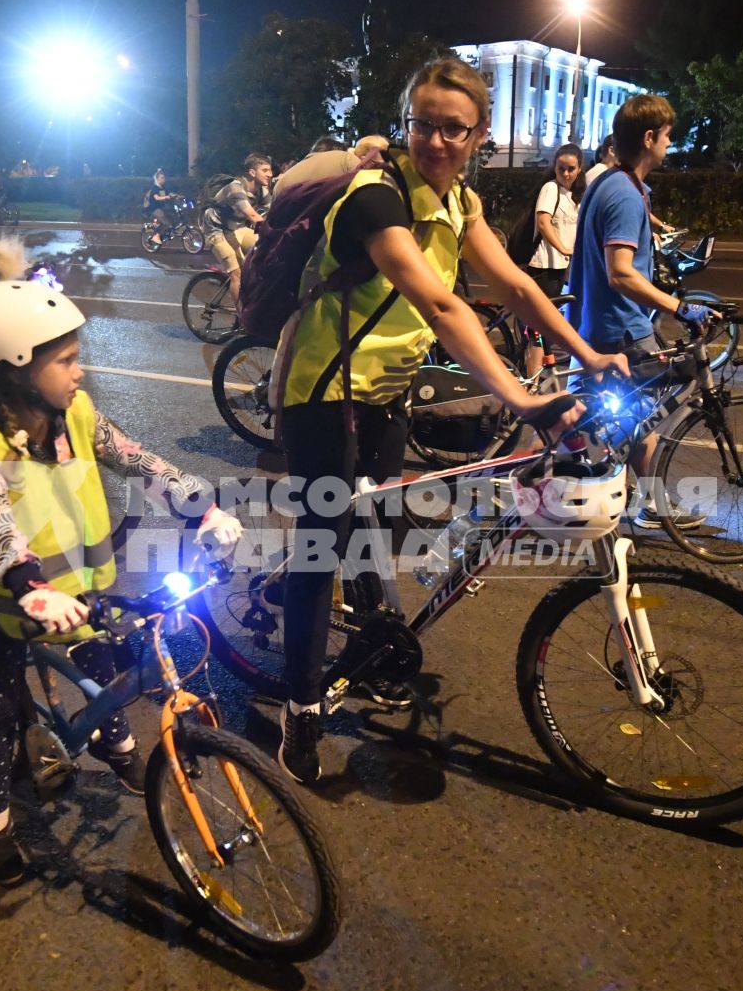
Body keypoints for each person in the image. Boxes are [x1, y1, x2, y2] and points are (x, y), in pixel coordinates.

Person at [273, 57, 626, 784]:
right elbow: (441, 305)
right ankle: (299, 711)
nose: (435, 141)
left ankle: (368, 643)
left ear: (479, 134)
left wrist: (591, 353)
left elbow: (519, 285)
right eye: (422, 125)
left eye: (452, 129)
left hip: (386, 391)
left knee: (383, 521)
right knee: (323, 546)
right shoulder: (377, 196)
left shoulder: (458, 200)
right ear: (407, 125)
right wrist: (526, 400)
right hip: (324, 391)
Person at [0, 255, 245, 883]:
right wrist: (29, 588)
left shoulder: (76, 416)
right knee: (0, 710)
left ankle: (120, 745)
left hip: (84, 587)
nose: (81, 372)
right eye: (67, 361)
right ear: (12, 373)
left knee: (106, 659)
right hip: (12, 602)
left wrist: (202, 505)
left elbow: (137, 460)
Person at [566, 94, 716, 533]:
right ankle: (646, 505)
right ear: (649, 138)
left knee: (630, 420)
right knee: (643, 420)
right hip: (622, 328)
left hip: (601, 321)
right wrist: (679, 307)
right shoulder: (625, 195)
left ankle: (620, 496)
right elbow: (621, 274)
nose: (671, 142)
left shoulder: (611, 183)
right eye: (667, 134)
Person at [201, 153, 271, 299]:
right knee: (236, 273)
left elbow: (272, 214)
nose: (270, 174)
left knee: (265, 250)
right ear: (252, 172)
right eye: (265, 170)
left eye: (270, 170)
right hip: (216, 230)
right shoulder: (235, 188)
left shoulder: (262, 191)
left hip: (236, 228)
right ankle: (242, 319)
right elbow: (252, 216)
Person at [526, 142, 582, 297]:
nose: (565, 174)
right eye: (561, 168)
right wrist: (563, 249)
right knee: (543, 317)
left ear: (579, 169)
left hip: (561, 266)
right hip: (545, 266)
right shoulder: (551, 188)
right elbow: (543, 222)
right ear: (554, 167)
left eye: (571, 169)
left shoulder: (574, 195)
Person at [141, 168, 178, 245]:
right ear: (157, 179)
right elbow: (156, 197)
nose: (164, 179)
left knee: (172, 216)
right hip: (154, 209)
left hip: (162, 208)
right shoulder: (155, 188)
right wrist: (166, 197)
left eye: (164, 178)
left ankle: (167, 235)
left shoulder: (163, 188)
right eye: (162, 178)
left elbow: (170, 194)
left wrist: (178, 196)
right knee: (166, 223)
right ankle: (156, 236)